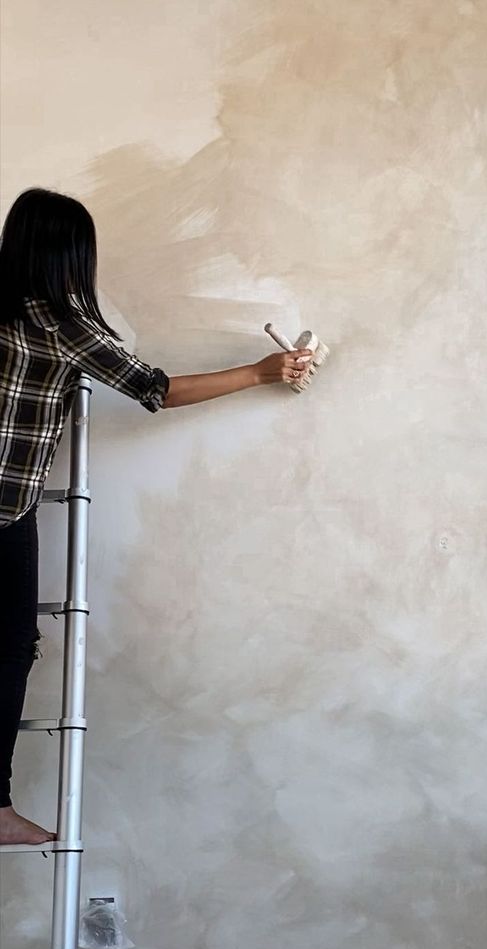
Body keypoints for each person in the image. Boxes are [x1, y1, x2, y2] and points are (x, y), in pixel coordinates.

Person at [0, 188, 312, 846]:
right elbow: (157, 389)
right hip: (3, 510)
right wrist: (259, 373)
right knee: (8, 647)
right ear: (69, 260)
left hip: (13, 510)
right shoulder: (59, 325)